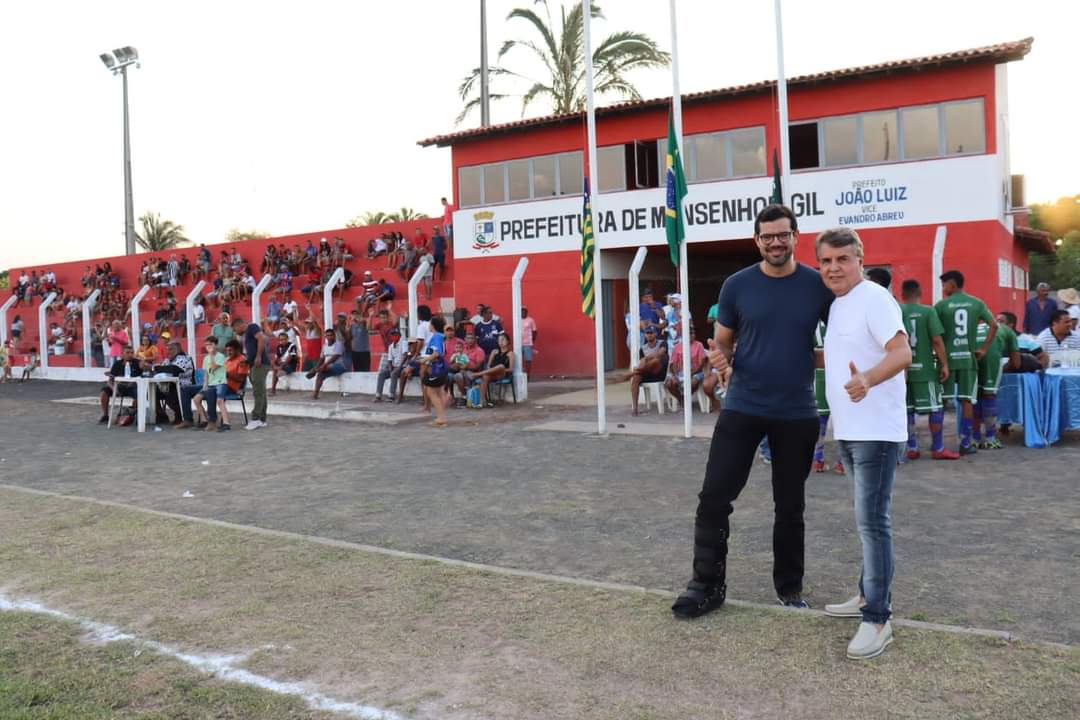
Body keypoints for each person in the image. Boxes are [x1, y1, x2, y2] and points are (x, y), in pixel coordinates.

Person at [672, 204, 833, 619]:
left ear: (796, 237)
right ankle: (705, 586)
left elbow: (843, 338)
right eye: (767, 236)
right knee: (713, 499)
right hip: (743, 407)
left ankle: (789, 589)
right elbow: (721, 341)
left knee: (790, 505)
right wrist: (721, 359)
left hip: (796, 412)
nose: (776, 242)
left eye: (783, 234)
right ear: (757, 241)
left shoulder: (818, 286)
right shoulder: (737, 285)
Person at [816, 227, 912, 661]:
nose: (834, 268)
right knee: (865, 522)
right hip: (851, 430)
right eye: (826, 261)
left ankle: (878, 618)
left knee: (873, 523)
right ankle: (863, 596)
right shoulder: (839, 305)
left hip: (875, 431)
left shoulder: (874, 297)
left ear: (859, 259)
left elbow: (902, 352)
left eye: (842, 259)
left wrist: (867, 380)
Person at [935, 270, 996, 455]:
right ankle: (965, 442)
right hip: (968, 359)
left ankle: (938, 444)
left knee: (941, 402)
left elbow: (936, 334)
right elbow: (994, 325)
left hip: (947, 360)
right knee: (966, 400)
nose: (943, 289)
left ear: (952, 285)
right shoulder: (976, 303)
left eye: (944, 285)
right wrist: (984, 349)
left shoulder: (941, 306)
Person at [898, 279, 957, 460]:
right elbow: (937, 340)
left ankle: (912, 447)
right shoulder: (928, 311)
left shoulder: (896, 310)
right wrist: (945, 364)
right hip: (925, 370)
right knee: (935, 408)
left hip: (901, 370)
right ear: (920, 292)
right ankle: (938, 448)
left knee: (906, 410)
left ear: (902, 293)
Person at [972, 311, 1021, 448]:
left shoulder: (979, 326)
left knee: (973, 397)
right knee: (989, 395)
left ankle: (974, 439)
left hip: (971, 357)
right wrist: (1003, 368)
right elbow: (1016, 363)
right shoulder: (1008, 331)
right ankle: (990, 438)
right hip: (990, 358)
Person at [811, 321, 845, 473]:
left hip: (820, 375)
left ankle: (817, 459)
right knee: (843, 419)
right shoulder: (841, 315)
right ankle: (843, 462)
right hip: (841, 374)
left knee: (821, 418)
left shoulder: (814, 320)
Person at [235, 316, 268, 430]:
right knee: (261, 391)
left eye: (235, 329)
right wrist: (248, 361)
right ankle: (262, 419)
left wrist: (258, 356)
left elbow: (261, 338)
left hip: (260, 363)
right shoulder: (247, 334)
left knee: (258, 391)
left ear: (238, 325)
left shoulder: (252, 327)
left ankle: (256, 419)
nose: (236, 332)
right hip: (254, 364)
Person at [418, 316, 451, 425]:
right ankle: (441, 415)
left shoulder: (436, 336)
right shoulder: (440, 336)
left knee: (431, 392)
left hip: (436, 368)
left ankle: (441, 418)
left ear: (433, 326)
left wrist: (425, 360)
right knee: (438, 391)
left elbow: (437, 353)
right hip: (440, 367)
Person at [628, 325, 668, 416]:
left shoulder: (662, 343)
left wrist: (646, 359)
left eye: (651, 333)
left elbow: (660, 353)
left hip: (659, 373)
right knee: (636, 378)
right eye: (647, 333)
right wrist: (641, 365)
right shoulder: (642, 348)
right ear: (645, 335)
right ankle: (635, 408)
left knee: (655, 361)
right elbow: (642, 362)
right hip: (646, 373)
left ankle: (636, 371)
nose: (649, 335)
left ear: (655, 334)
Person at [97, 345, 141, 424]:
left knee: (140, 393)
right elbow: (110, 381)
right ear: (122, 354)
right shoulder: (117, 364)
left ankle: (133, 413)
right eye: (127, 352)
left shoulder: (137, 363)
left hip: (133, 387)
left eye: (132, 352)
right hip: (119, 387)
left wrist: (143, 362)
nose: (130, 354)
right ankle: (105, 415)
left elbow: (144, 372)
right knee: (104, 391)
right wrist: (114, 389)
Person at [665, 327, 706, 407]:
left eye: (693, 333)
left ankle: (686, 399)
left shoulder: (699, 345)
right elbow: (672, 364)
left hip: (696, 372)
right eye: (690, 333)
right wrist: (674, 375)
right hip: (680, 372)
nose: (692, 335)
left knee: (693, 382)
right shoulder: (677, 347)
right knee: (669, 384)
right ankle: (681, 399)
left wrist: (691, 373)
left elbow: (702, 364)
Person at [193, 337, 228, 431]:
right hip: (210, 384)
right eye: (207, 345)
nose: (208, 347)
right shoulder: (206, 358)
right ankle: (205, 420)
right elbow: (206, 373)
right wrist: (205, 384)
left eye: (210, 344)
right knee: (196, 399)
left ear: (215, 345)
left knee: (220, 401)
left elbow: (213, 367)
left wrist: (212, 355)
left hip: (220, 383)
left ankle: (226, 423)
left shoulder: (220, 356)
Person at [474, 332, 515, 408]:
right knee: (485, 376)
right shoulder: (494, 351)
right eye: (499, 340)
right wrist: (492, 370)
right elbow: (488, 365)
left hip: (502, 373)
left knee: (501, 366)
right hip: (492, 373)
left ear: (508, 341)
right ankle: (482, 401)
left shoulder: (510, 353)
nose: (501, 342)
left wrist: (500, 369)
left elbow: (510, 369)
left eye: (503, 340)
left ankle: (478, 374)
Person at [308, 328, 346, 400]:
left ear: (334, 336)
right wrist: (316, 367)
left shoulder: (339, 344)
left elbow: (335, 357)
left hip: (339, 366)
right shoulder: (324, 346)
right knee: (320, 375)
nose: (329, 337)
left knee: (325, 368)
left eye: (331, 335)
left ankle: (315, 371)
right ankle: (315, 394)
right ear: (325, 336)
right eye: (327, 335)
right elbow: (322, 358)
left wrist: (323, 366)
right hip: (327, 367)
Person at [374, 328, 408, 402]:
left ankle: (391, 395)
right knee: (382, 374)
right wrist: (390, 368)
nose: (394, 336)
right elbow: (389, 359)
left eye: (396, 335)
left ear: (399, 335)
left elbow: (405, 355)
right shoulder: (391, 346)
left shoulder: (404, 343)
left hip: (402, 367)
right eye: (392, 335)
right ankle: (378, 395)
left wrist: (399, 367)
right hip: (394, 366)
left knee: (393, 373)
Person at [270, 331, 298, 396]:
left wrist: (280, 366)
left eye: (284, 339)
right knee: (274, 369)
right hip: (282, 365)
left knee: (276, 372)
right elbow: (276, 358)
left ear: (287, 339)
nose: (282, 341)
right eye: (281, 339)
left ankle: (273, 390)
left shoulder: (292, 346)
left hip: (290, 366)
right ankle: (273, 390)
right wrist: (273, 364)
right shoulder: (279, 347)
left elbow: (290, 358)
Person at [520, 307, 538, 377]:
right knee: (518, 360)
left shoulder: (530, 320)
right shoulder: (517, 319)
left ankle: (527, 375)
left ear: (527, 312)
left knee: (528, 359)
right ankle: (520, 374)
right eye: (522, 312)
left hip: (528, 343)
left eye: (524, 312)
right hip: (518, 344)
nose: (523, 313)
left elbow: (535, 331)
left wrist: (532, 341)